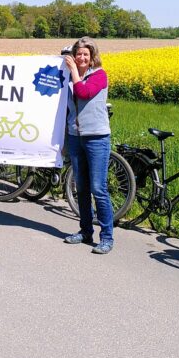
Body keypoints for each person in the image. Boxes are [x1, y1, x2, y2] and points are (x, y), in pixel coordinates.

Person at [62, 36, 113, 254]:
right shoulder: (69, 78)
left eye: (85, 54)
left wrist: (73, 71)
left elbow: (83, 93)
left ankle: (107, 237)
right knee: (81, 188)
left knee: (98, 189)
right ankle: (85, 231)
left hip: (97, 138)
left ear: (92, 57)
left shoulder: (99, 75)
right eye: (78, 54)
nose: (81, 58)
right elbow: (65, 108)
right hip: (76, 136)